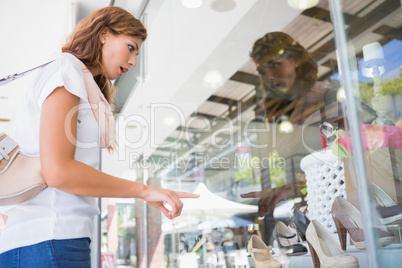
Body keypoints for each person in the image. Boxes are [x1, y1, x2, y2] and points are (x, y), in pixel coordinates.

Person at [0, 6, 198, 267]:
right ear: (104, 34)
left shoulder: (76, 78)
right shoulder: (66, 71)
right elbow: (58, 172)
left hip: (46, 239)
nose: (133, 62)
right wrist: (144, 190)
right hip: (50, 237)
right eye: (130, 47)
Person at [241, 31, 341, 217]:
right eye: (262, 71)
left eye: (275, 66)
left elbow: (350, 167)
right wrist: (287, 190)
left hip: (347, 212)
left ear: (296, 60)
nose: (269, 77)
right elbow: (316, 177)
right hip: (319, 214)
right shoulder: (282, 119)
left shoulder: (329, 100)